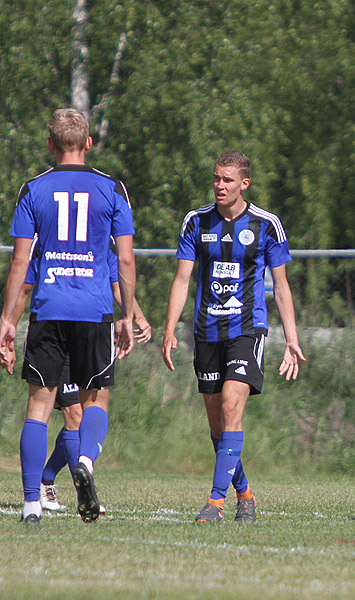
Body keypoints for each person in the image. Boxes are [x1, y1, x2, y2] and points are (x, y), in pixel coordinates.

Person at [0, 108, 136, 524]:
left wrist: (7, 321)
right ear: (88, 144)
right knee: (96, 399)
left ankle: (29, 505)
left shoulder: (33, 190)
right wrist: (127, 314)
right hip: (94, 310)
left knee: (38, 407)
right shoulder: (113, 189)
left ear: (50, 145)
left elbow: (21, 263)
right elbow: (126, 259)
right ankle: (87, 465)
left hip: (49, 308)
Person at [162, 150, 305, 523]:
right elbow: (181, 280)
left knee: (230, 406)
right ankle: (244, 493)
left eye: (227, 180)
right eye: (215, 178)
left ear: (244, 183)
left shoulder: (266, 224)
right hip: (206, 331)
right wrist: (169, 329)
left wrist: (291, 338)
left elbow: (282, 285)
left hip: (247, 329)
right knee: (217, 424)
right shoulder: (196, 222)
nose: (219, 185)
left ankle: (215, 504)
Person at [4, 247, 152, 513]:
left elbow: (117, 283)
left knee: (79, 414)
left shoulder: (98, 239)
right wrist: (9, 328)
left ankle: (46, 480)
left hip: (80, 325)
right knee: (72, 414)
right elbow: (24, 285)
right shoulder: (50, 237)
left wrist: (136, 316)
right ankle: (82, 491)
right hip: (59, 325)